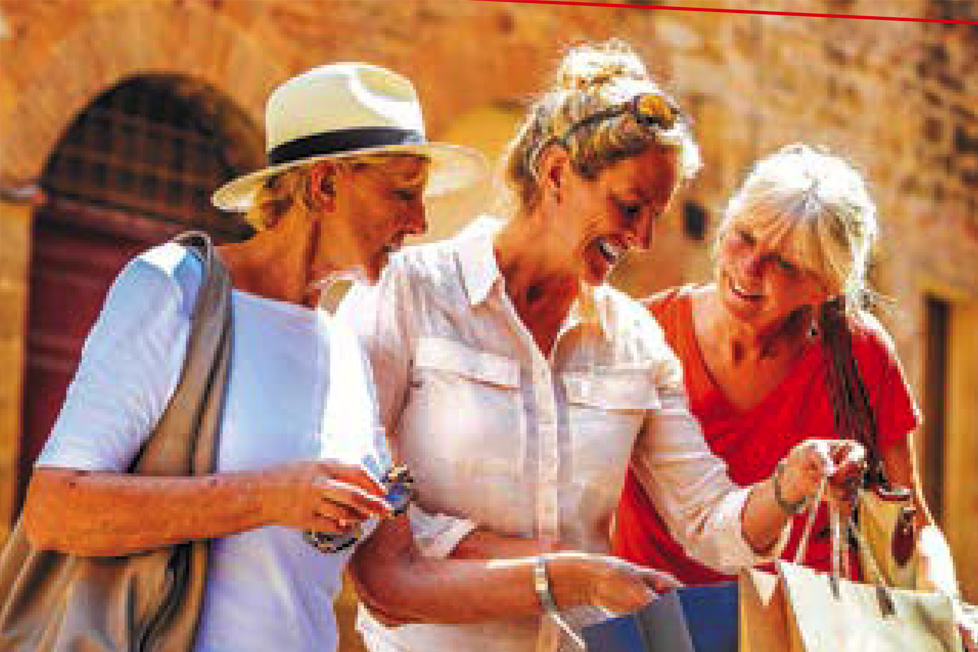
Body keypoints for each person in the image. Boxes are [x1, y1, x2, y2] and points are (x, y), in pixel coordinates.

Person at [20, 61, 720, 651]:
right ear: (324, 184)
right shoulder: (176, 287)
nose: (418, 223)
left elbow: (394, 578)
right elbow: (57, 509)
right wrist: (269, 496)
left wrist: (573, 578)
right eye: (402, 195)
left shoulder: (345, 353)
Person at [338, 41, 864, 652]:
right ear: (557, 172)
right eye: (629, 206)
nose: (641, 238)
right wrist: (562, 569)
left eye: (657, 216)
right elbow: (364, 511)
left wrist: (789, 485)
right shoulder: (410, 293)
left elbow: (707, 523)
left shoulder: (635, 338)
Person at [611, 143, 978, 648]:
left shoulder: (858, 354)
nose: (749, 268)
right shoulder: (643, 336)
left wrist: (946, 610)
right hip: (666, 631)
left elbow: (914, 525)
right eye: (743, 238)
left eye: (784, 264)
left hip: (809, 633)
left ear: (825, 286)